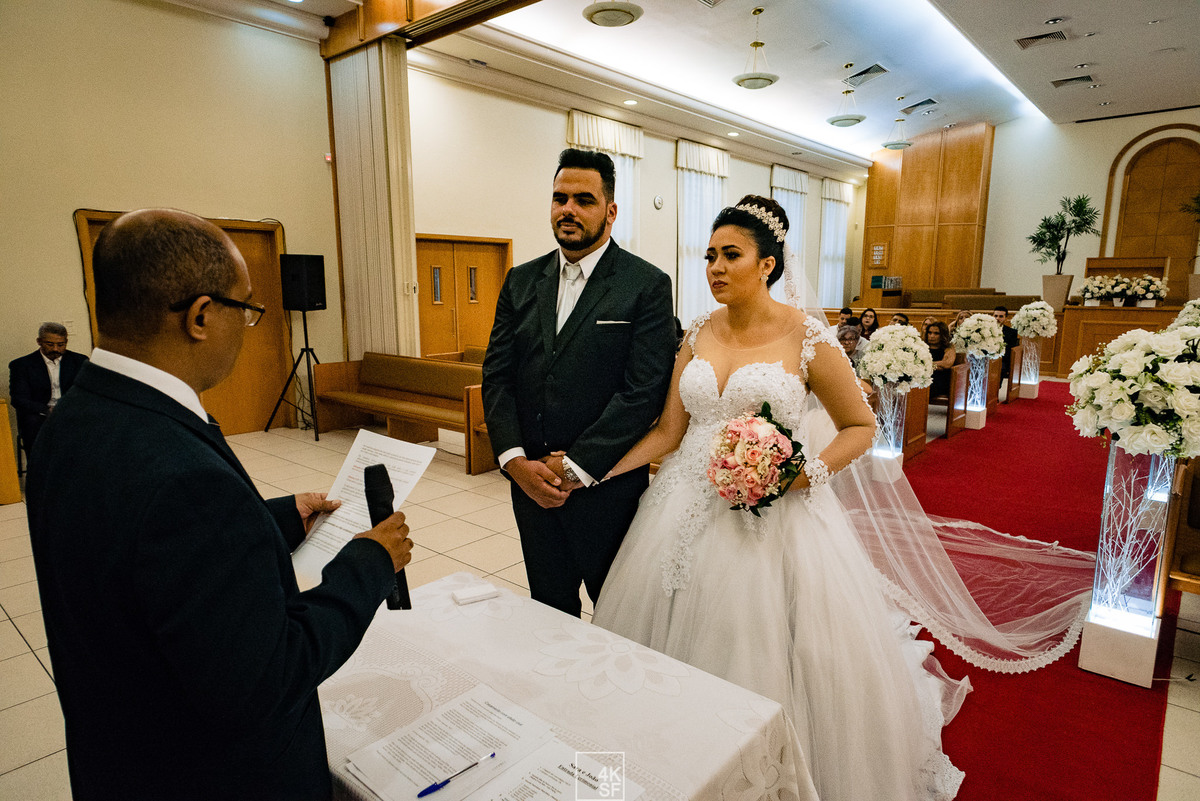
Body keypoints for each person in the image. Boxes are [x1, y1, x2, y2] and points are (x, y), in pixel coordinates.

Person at [26, 209, 414, 801]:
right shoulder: (185, 479)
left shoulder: (70, 421)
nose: (251, 324)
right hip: (213, 776)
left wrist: (277, 518)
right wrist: (368, 564)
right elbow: (269, 677)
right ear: (203, 316)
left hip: (119, 753)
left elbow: (145, 558)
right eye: (248, 309)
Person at [592, 195, 965, 801]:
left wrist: (797, 474)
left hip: (770, 515)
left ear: (767, 265)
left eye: (730, 255)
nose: (713, 267)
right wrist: (594, 475)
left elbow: (860, 427)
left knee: (757, 644)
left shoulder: (808, 337)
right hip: (680, 505)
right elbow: (668, 432)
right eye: (709, 255)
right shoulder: (695, 334)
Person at [482, 148, 676, 616]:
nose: (567, 209)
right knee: (547, 608)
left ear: (610, 211)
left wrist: (577, 466)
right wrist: (513, 461)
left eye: (583, 200)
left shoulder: (645, 284)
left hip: (605, 487)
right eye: (559, 198)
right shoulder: (520, 281)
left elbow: (642, 391)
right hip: (530, 484)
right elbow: (497, 375)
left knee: (617, 612)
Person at [8, 322, 88, 459]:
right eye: (50, 344)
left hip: (69, 411)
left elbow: (86, 392)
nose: (55, 349)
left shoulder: (79, 361)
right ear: (39, 342)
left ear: (66, 342)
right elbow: (18, 399)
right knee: (32, 423)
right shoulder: (22, 365)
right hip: (40, 413)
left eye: (61, 345)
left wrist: (68, 408)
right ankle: (37, 471)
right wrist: (46, 409)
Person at [925, 320, 957, 397]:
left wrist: (928, 365)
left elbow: (947, 364)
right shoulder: (923, 346)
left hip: (941, 380)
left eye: (936, 333)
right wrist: (937, 366)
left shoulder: (949, 347)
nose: (932, 336)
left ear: (943, 335)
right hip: (925, 376)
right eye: (930, 333)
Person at [993, 305, 1020, 382]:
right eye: (995, 316)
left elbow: (1010, 351)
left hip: (1002, 361)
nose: (997, 318)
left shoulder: (1012, 332)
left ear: (1006, 318)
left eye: (1001, 316)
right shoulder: (985, 330)